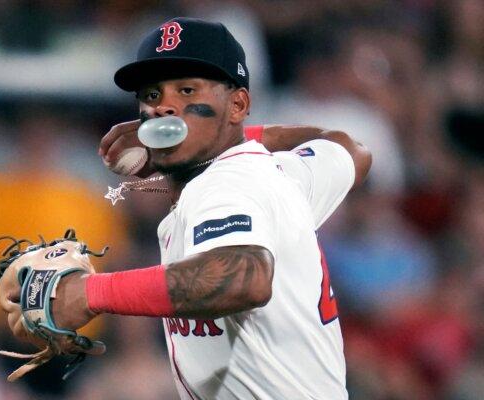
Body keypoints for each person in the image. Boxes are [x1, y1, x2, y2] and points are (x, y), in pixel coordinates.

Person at [21, 17, 371, 399]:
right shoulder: (280, 173)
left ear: (238, 102)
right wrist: (236, 132)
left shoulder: (222, 185)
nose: (165, 108)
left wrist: (91, 292)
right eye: (152, 95)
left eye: (187, 91)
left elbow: (243, 277)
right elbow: (348, 147)